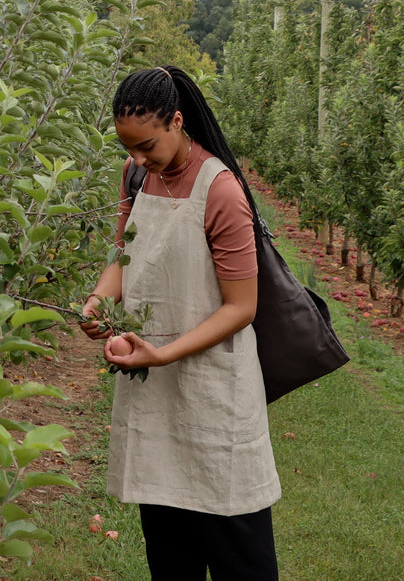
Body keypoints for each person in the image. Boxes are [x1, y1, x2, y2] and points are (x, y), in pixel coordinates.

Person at [80, 65, 281, 581]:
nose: (139, 159)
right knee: (170, 555)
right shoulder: (135, 175)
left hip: (214, 390)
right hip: (154, 391)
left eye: (148, 145)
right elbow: (123, 255)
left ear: (176, 121)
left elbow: (242, 307)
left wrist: (162, 353)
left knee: (241, 557)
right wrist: (99, 301)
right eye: (130, 148)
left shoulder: (221, 191)